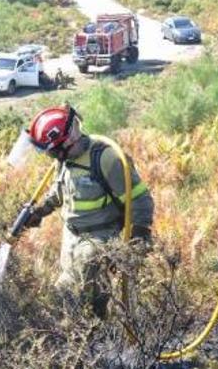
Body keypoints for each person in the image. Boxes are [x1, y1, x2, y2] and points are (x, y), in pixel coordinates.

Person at [22, 105, 154, 319]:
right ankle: (76, 332)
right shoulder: (64, 160)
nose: (49, 155)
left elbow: (140, 199)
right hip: (72, 236)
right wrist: (40, 211)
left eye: (51, 150)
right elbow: (59, 191)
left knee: (90, 288)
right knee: (63, 292)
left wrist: (139, 234)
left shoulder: (107, 159)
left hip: (101, 235)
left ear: (66, 141)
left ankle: (96, 333)